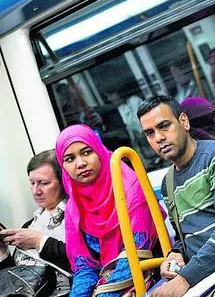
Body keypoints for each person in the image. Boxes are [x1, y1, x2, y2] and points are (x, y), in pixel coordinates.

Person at [137, 96, 215, 296]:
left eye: (164, 126)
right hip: (199, 273)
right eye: (150, 133)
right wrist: (174, 254)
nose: (158, 138)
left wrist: (186, 279)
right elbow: (184, 238)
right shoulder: (168, 183)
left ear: (184, 121)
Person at [55, 124, 159, 296]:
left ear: (99, 151)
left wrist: (105, 294)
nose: (80, 163)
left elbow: (137, 252)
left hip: (148, 273)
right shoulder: (74, 208)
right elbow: (85, 267)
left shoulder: (129, 188)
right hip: (109, 280)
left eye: (87, 152)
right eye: (70, 159)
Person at [0, 150, 70, 296]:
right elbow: (19, 281)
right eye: (32, 183)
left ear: (63, 181)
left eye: (43, 183)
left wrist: (40, 242)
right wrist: (3, 253)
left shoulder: (75, 217)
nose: (35, 191)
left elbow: (87, 261)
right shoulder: (29, 225)